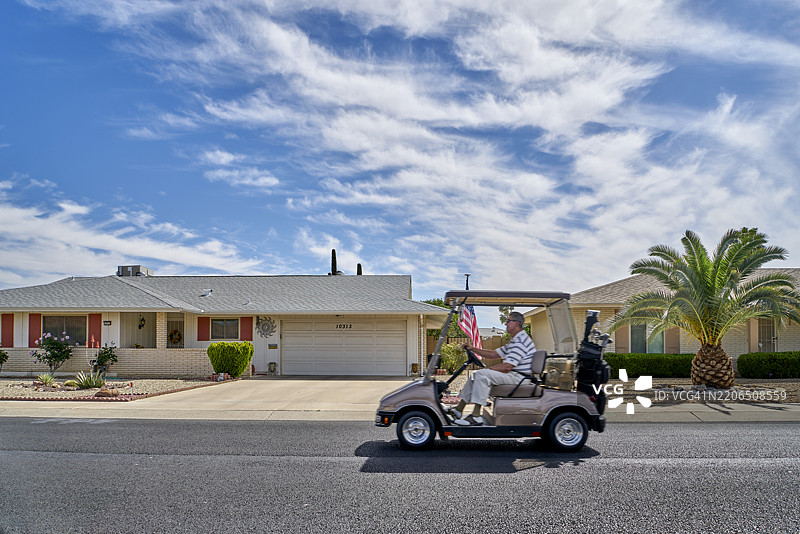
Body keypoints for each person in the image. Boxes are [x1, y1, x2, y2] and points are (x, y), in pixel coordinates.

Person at [450, 311, 536, 426]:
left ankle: (476, 416)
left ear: (516, 323)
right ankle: (458, 410)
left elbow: (507, 367)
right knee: (477, 374)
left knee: (482, 375)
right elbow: (494, 354)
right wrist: (473, 349)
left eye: (508, 321)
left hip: (519, 377)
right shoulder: (515, 340)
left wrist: (488, 370)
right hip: (515, 375)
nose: (505, 324)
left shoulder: (521, 341)